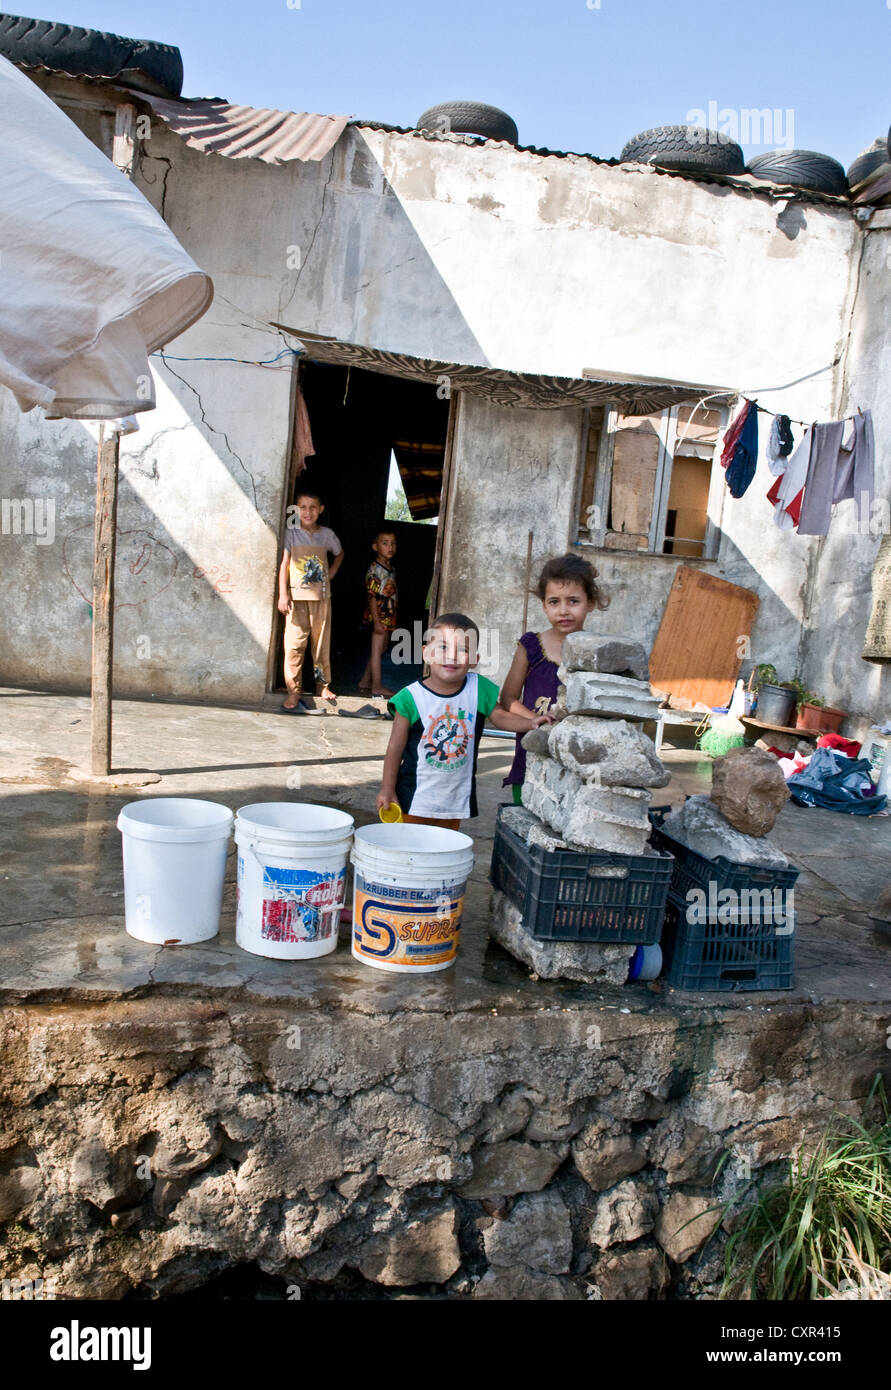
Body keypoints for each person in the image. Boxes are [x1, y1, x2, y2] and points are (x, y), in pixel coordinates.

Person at [377, 612, 553, 829]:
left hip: (454, 798)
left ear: (474, 660)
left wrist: (531, 723)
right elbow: (395, 748)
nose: (451, 656)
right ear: (426, 653)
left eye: (463, 650)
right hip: (412, 798)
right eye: (442, 647)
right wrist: (387, 787)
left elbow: (501, 717)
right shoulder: (410, 698)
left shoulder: (478, 688)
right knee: (409, 852)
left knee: (445, 852)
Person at [500, 553, 609, 801]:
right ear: (544, 605)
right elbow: (507, 698)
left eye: (573, 601)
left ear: (590, 602)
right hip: (533, 752)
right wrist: (536, 719)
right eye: (554, 602)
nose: (563, 611)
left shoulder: (597, 652)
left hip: (577, 755)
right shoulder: (530, 646)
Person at [277, 489, 343, 711]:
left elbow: (340, 553)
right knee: (294, 646)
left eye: (312, 507)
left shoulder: (327, 534)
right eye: (302, 507)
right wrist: (283, 594)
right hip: (296, 599)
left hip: (321, 598)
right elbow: (284, 563)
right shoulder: (291, 533)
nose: (307, 512)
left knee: (320, 644)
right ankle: (294, 692)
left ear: (321, 510)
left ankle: (322, 686)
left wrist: (331, 572)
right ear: (296, 510)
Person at [359, 526, 398, 698]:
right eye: (385, 543)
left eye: (393, 543)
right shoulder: (375, 570)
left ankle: (365, 681)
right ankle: (376, 687)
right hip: (379, 616)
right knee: (376, 649)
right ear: (375, 547)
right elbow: (372, 597)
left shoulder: (390, 567)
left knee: (380, 649)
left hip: (388, 616)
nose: (390, 547)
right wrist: (376, 621)